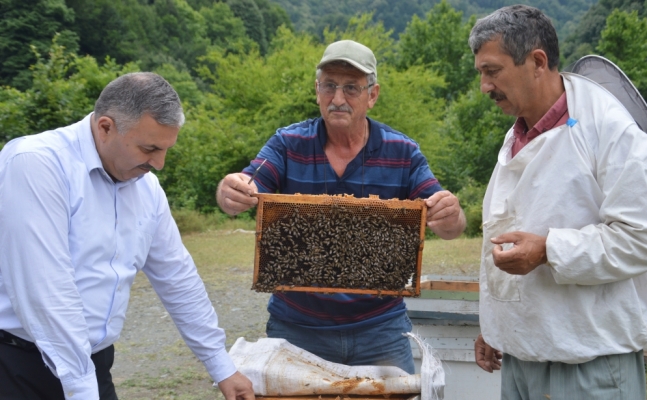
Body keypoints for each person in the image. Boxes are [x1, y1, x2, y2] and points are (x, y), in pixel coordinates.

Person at [216, 39, 466, 373]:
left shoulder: (403, 152)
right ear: (317, 90)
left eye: (351, 88)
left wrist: (450, 213)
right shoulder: (288, 143)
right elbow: (243, 188)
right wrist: (229, 191)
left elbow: (450, 224)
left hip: (382, 328)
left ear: (372, 95)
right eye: (329, 86)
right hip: (297, 327)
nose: (337, 99)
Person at [0, 72, 254, 400]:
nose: (160, 164)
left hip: (92, 366)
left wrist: (222, 365)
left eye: (165, 149)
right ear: (105, 127)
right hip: (17, 367)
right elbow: (47, 293)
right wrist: (80, 389)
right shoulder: (35, 164)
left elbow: (177, 276)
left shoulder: (146, 187)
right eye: (150, 148)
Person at [469, 5, 647, 399]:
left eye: (492, 70)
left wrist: (549, 249)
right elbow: (507, 227)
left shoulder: (611, 130)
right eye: (481, 72)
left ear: (537, 61)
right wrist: (495, 324)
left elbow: (641, 239)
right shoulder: (517, 134)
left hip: (591, 365)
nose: (484, 86)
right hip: (522, 358)